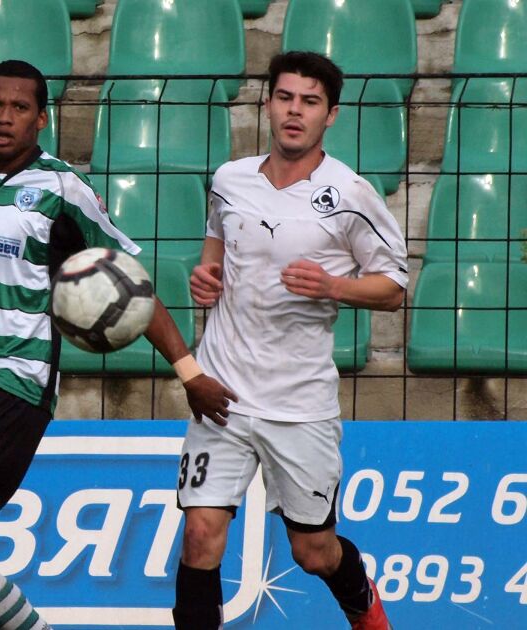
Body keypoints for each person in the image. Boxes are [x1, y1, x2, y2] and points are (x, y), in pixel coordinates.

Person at [0, 59, 236, 629]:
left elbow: (130, 287)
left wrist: (188, 371)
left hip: (13, 382)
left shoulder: (62, 188)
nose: (5, 117)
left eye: (19, 108)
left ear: (41, 119)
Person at [172, 51, 405, 630]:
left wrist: (333, 286)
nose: (295, 111)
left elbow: (394, 286)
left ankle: (367, 613)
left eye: (310, 101)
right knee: (200, 534)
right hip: (222, 393)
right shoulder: (229, 180)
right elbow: (215, 251)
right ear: (268, 103)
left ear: (331, 114)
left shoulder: (350, 193)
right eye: (285, 97)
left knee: (313, 552)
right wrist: (205, 277)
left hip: (299, 403)